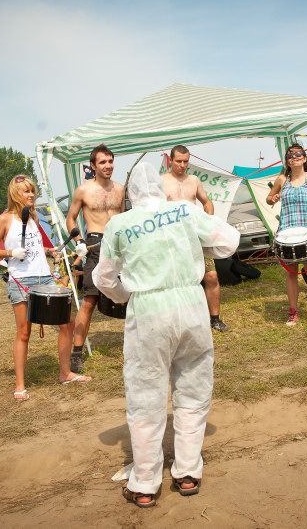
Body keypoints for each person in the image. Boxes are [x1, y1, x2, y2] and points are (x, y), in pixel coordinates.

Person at [92, 163, 239, 508]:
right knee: (194, 386)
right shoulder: (185, 210)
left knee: (145, 395)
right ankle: (188, 472)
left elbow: (103, 279)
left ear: (129, 193)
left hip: (148, 311)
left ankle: (145, 483)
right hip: (191, 304)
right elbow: (229, 241)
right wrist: (198, 250)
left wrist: (126, 295)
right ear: (160, 186)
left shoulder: (119, 224)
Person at [0, 175, 84, 402]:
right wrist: (11, 253)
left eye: (32, 191)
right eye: (26, 192)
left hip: (44, 277)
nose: (31, 195)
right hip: (21, 281)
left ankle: (65, 373)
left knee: (68, 323)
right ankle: (19, 385)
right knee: (24, 332)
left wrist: (52, 252)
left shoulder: (33, 218)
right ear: (15, 194)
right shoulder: (3, 220)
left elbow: (37, 246)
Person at [65, 144, 125, 373]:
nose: (108, 166)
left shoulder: (120, 189)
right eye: (103, 162)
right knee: (89, 300)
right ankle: (77, 352)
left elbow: (123, 217)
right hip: (95, 245)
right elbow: (70, 219)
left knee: (131, 293)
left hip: (118, 244)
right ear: (93, 166)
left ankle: (138, 341)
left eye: (110, 161)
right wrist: (79, 242)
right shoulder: (83, 190)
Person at [161, 145, 231, 332]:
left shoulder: (194, 180)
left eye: (186, 161)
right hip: (173, 239)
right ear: (170, 160)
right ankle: (180, 322)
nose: (182, 165)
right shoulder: (161, 181)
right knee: (177, 281)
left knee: (211, 276)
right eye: (178, 161)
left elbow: (207, 201)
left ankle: (215, 319)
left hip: (196, 236)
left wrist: (208, 219)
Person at [266, 144, 307, 326]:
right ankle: (293, 312)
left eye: (297, 154)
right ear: (287, 161)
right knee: (292, 273)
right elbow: (268, 198)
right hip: (287, 232)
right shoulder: (282, 180)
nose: (293, 157)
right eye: (290, 155)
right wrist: (272, 198)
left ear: (304, 158)